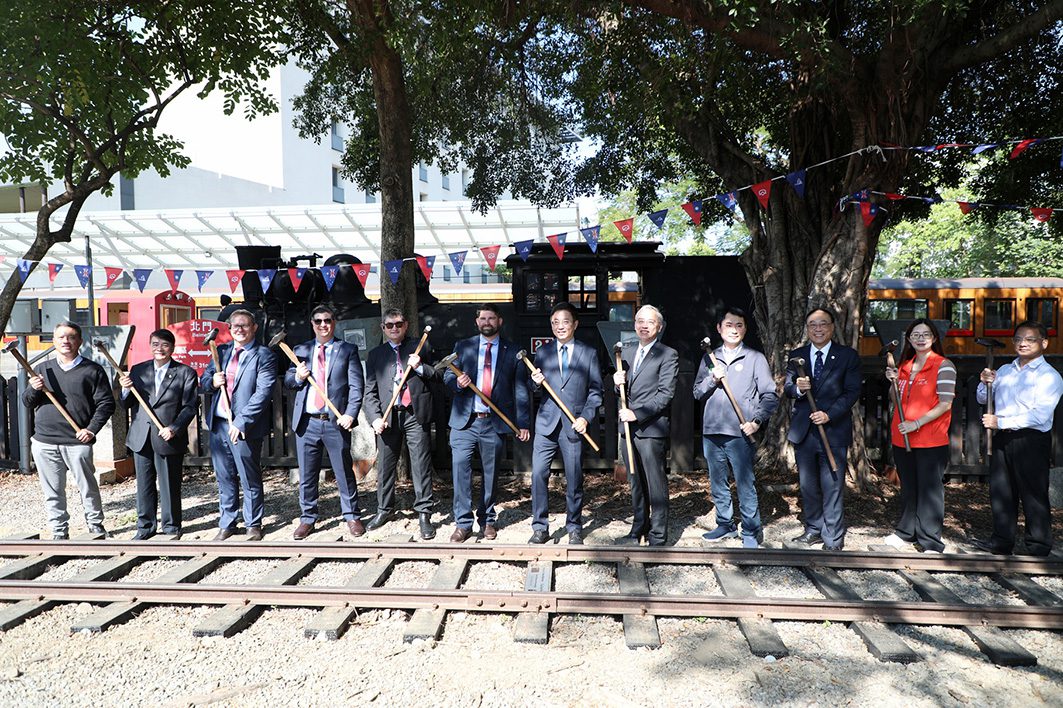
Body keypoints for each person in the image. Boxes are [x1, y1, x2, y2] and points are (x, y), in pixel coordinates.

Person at [974, 320, 1063, 556]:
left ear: (1044, 343)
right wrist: (984, 383)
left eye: (1030, 339)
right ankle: (1001, 541)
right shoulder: (1004, 370)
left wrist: (1000, 422)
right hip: (1002, 438)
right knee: (1001, 490)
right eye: (1018, 339)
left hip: (1031, 440)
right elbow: (983, 398)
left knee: (1033, 492)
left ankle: (1038, 545)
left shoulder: (1049, 376)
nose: (1023, 343)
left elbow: (1040, 415)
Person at [22, 321, 116, 540]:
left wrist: (91, 430)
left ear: (79, 341)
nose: (66, 341)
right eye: (61, 337)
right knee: (53, 490)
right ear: (54, 341)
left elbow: (106, 404)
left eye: (71, 337)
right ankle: (59, 531)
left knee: (88, 487)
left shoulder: (92, 370)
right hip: (45, 441)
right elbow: (27, 402)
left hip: (78, 440)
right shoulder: (42, 369)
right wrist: (34, 389)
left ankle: (95, 526)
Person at [445, 304, 531, 542]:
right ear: (477, 322)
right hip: (465, 422)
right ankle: (463, 523)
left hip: (494, 423)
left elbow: (521, 389)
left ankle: (487, 520)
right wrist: (457, 382)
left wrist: (522, 423)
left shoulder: (513, 351)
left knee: (491, 474)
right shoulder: (463, 347)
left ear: (499, 321)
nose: (486, 322)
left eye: (491, 318)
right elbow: (448, 375)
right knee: (460, 470)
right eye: (482, 318)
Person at [694, 307, 778, 548]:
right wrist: (713, 379)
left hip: (740, 431)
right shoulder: (710, 358)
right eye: (729, 325)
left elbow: (769, 395)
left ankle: (751, 530)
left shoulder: (754, 358)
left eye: (739, 325)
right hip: (712, 430)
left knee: (744, 482)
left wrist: (756, 421)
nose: (734, 329)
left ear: (745, 329)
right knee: (717, 482)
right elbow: (697, 392)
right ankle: (725, 525)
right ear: (719, 328)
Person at [283, 305, 365, 540]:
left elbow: (356, 386)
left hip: (335, 422)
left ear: (334, 322)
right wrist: (298, 376)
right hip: (307, 422)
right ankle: (308, 518)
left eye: (327, 320)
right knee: (307, 474)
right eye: (318, 321)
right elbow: (289, 381)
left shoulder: (347, 350)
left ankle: (352, 516)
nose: (323, 325)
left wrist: (350, 413)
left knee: (343, 472)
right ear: (312, 324)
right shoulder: (300, 350)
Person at [783, 307, 861, 551]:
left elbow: (852, 392)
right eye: (813, 324)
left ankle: (833, 537)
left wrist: (829, 414)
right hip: (804, 431)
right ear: (807, 329)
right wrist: (798, 388)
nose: (818, 329)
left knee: (833, 484)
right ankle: (814, 529)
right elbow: (787, 389)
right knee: (808, 485)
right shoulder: (797, 356)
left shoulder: (847, 356)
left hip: (833, 430)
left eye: (823, 323)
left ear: (832, 327)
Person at [528, 302, 603, 545]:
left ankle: (574, 527)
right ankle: (540, 527)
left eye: (565, 322)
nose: (560, 326)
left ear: (575, 324)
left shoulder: (588, 353)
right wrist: (535, 382)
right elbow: (534, 388)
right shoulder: (543, 352)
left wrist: (585, 417)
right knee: (538, 474)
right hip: (546, 423)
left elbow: (596, 391)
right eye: (555, 322)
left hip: (574, 424)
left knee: (574, 477)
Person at [201, 309, 278, 541]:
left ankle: (253, 523)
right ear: (230, 329)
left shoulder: (264, 355)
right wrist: (213, 382)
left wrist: (242, 421)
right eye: (236, 326)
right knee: (224, 477)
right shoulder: (221, 351)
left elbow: (263, 393)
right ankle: (227, 522)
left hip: (246, 427)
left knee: (249, 476)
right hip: (219, 424)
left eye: (245, 325)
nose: (240, 329)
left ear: (254, 327)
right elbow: (204, 381)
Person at [363, 308, 439, 540]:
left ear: (405, 325)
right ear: (383, 328)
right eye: (389, 325)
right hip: (388, 417)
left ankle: (424, 513)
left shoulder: (420, 346)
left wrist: (420, 367)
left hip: (415, 413)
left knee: (421, 465)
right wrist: (375, 418)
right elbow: (369, 392)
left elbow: (438, 374)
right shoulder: (375, 355)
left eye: (398, 324)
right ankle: (384, 509)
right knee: (385, 466)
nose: (394, 328)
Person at [883, 319, 956, 554]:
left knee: (929, 489)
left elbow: (945, 403)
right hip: (902, 437)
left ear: (934, 338)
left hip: (930, 439)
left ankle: (930, 540)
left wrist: (916, 423)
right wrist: (893, 382)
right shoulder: (905, 365)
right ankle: (906, 532)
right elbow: (895, 398)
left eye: (926, 334)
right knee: (909, 486)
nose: (921, 338)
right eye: (915, 335)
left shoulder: (943, 365)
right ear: (909, 339)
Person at [119, 329, 199, 540]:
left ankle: (171, 527)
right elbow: (126, 404)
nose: (159, 349)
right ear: (150, 346)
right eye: (155, 344)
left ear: (172, 348)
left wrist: (174, 427)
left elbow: (190, 407)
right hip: (141, 436)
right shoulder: (138, 370)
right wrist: (125, 390)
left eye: (164, 345)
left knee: (169, 484)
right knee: (144, 485)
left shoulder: (185, 373)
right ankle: (145, 527)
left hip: (168, 436)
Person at [613, 305, 678, 547]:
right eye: (640, 321)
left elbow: (665, 394)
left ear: (658, 327)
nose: (644, 325)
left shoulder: (667, 354)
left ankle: (658, 535)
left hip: (651, 429)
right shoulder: (627, 352)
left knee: (655, 483)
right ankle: (638, 528)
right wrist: (616, 382)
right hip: (628, 429)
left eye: (650, 322)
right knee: (635, 482)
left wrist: (636, 414)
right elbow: (622, 391)